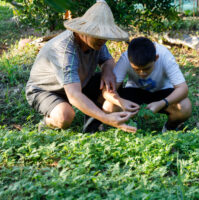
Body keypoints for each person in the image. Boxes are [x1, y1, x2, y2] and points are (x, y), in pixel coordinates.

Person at [25, 0, 137, 133]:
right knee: (64, 116)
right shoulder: (66, 49)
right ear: (83, 31)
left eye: (105, 36)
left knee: (109, 81)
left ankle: (92, 123)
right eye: (99, 36)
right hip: (46, 90)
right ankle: (47, 121)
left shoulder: (97, 40)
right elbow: (74, 95)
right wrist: (106, 118)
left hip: (78, 83)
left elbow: (107, 60)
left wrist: (107, 71)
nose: (103, 40)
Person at [102, 37, 192, 132]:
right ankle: (130, 125)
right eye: (136, 69)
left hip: (162, 92)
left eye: (147, 69)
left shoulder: (164, 55)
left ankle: (170, 128)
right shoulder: (125, 58)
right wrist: (121, 101)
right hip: (135, 92)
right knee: (108, 106)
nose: (142, 73)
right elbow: (106, 91)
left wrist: (162, 103)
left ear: (156, 58)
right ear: (129, 60)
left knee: (185, 106)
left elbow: (183, 88)